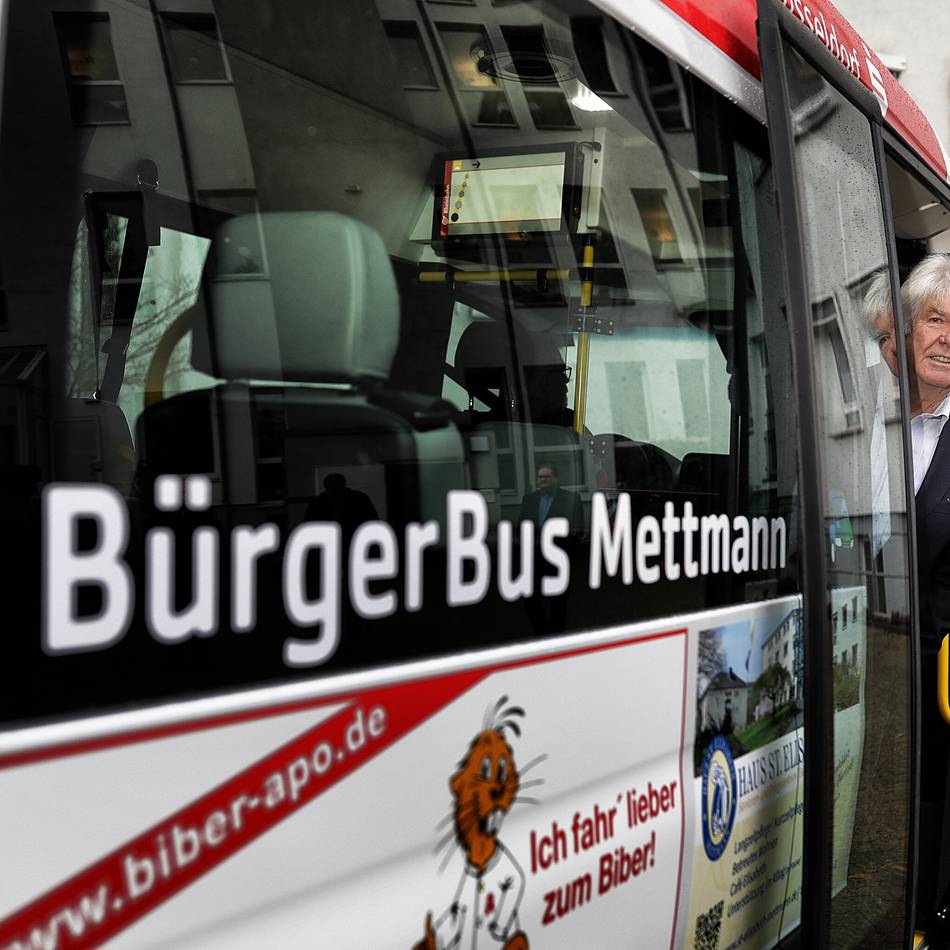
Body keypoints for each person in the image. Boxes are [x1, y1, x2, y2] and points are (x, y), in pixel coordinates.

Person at [866, 256, 950, 924]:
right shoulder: (874, 422)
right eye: (936, 318)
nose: (947, 337)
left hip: (940, 697)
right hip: (865, 670)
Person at [519, 462, 584, 634]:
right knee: (530, 600)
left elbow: (578, 529)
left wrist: (564, 552)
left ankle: (556, 636)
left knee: (558, 602)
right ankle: (542, 633)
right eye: (540, 477)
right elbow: (522, 526)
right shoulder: (529, 499)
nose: (543, 480)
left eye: (547, 477)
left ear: (556, 478)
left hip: (558, 558)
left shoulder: (571, 498)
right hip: (534, 557)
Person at [305, 473, 378, 537]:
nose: (336, 494)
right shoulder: (359, 498)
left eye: (337, 490)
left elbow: (309, 526)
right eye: (333, 490)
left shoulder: (317, 503)